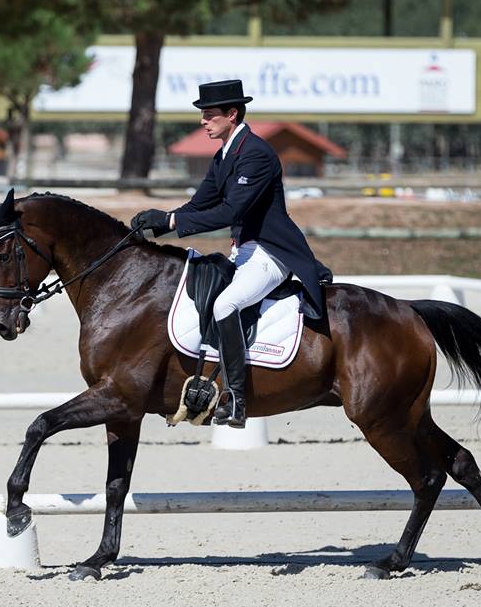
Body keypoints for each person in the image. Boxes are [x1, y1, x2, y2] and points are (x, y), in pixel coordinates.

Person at [131, 79, 332, 429]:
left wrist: (173, 219)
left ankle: (237, 397)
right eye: (203, 115)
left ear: (232, 114)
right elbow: (200, 203)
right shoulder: (225, 154)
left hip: (272, 253)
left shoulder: (256, 154)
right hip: (245, 250)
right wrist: (160, 222)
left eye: (209, 115)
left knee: (226, 305)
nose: (203, 121)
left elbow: (230, 212)